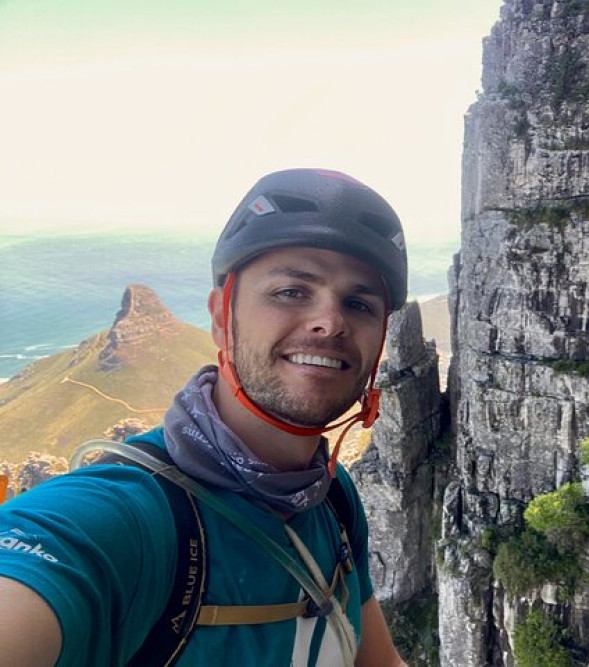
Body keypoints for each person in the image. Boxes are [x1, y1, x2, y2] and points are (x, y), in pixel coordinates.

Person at [0, 169, 409, 666]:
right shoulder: (123, 520)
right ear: (220, 316)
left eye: (359, 303)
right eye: (292, 291)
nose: (331, 321)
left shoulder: (332, 498)